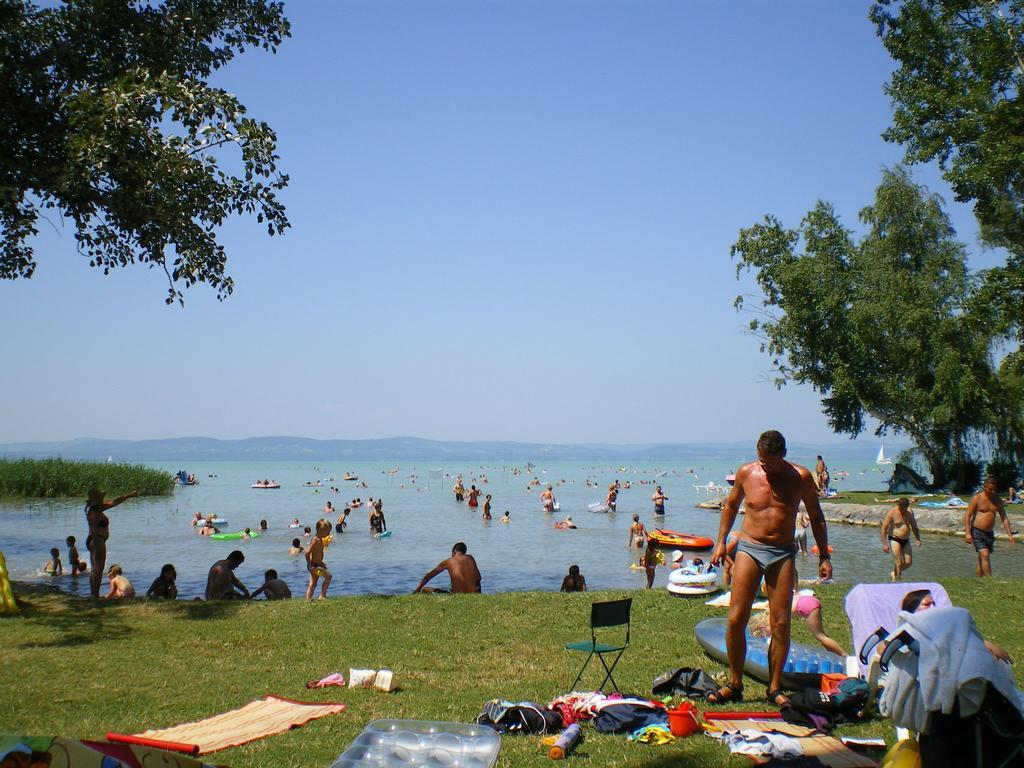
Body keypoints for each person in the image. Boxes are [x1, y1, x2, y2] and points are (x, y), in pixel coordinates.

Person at [709, 430, 832, 707]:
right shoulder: (746, 473)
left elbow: (816, 516)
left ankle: (774, 689)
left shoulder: (800, 477)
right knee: (735, 618)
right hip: (750, 549)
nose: (767, 466)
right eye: (763, 460)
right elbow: (730, 506)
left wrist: (824, 556)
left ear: (783, 455)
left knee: (780, 623)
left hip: (782, 553)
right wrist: (720, 542)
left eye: (772, 461)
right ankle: (735, 683)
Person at [901, 589, 1011, 663]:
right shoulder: (907, 631)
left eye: (934, 604)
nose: (934, 609)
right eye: (927, 604)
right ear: (912, 611)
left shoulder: (947, 629)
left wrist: (983, 643)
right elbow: (885, 646)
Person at [750, 590, 848, 657]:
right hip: (809, 600)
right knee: (822, 635)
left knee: (820, 636)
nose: (766, 635)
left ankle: (845, 656)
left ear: (762, 627)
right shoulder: (771, 611)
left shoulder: (773, 617)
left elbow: (781, 638)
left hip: (807, 606)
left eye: (763, 634)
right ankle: (835, 654)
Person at [85, 487, 139, 598]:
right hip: (97, 540)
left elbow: (114, 502)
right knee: (98, 570)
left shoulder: (98, 509)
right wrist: (96, 543)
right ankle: (94, 595)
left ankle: (94, 594)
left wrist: (128, 495)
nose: (102, 499)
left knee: (97, 569)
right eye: (100, 498)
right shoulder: (94, 512)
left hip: (98, 540)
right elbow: (94, 529)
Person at [966, 477, 1017, 576]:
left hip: (989, 533)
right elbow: (968, 516)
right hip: (977, 531)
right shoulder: (977, 498)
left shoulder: (997, 499)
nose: (992, 491)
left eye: (994, 489)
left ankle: (978, 582)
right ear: (984, 487)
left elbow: (1004, 517)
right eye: (990, 489)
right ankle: (991, 582)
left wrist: (1009, 535)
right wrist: (968, 533)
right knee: (985, 555)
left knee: (982, 559)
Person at [880, 497, 923, 580]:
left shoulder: (909, 512)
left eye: (906, 507)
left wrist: (918, 539)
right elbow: (883, 529)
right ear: (898, 506)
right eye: (902, 508)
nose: (904, 510)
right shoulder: (892, 513)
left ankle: (895, 573)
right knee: (899, 563)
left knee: (908, 563)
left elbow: (914, 526)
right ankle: (896, 581)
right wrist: (885, 544)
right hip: (894, 539)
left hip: (906, 540)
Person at [414, 542, 482, 593]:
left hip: (456, 594)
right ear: (464, 552)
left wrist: (418, 589)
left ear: (453, 551)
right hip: (473, 593)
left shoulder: (449, 561)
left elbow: (429, 576)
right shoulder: (470, 558)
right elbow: (479, 577)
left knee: (425, 589)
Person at [305, 519, 333, 600]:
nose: (329, 534)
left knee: (313, 583)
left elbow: (319, 553)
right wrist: (310, 565)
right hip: (313, 565)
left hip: (317, 564)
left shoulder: (320, 539)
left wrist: (321, 562)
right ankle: (322, 596)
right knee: (328, 577)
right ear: (321, 531)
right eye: (327, 532)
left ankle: (308, 599)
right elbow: (307, 552)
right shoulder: (315, 540)